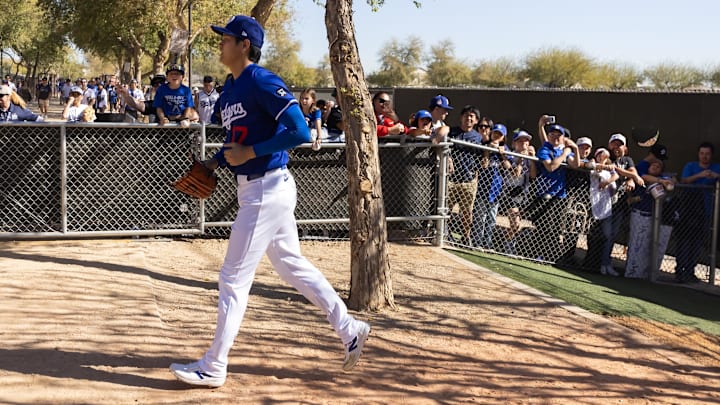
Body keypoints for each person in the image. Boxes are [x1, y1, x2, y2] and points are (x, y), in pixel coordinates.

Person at [168, 15, 370, 388]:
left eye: (226, 39)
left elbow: (298, 130)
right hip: (257, 188)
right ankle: (349, 327)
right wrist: (216, 161)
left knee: (232, 277)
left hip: (267, 189)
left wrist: (253, 151)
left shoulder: (262, 80)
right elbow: (238, 143)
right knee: (291, 264)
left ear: (244, 44)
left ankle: (214, 365)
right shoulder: (229, 90)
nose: (221, 44)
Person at [528, 122, 580, 262]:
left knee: (556, 228)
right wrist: (565, 152)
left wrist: (574, 148)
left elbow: (575, 165)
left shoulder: (564, 150)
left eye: (559, 135)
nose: (556, 137)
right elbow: (551, 167)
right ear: (549, 136)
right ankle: (537, 255)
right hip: (545, 194)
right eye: (552, 134)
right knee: (544, 227)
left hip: (559, 195)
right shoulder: (545, 149)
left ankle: (550, 256)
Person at [674, 142, 720, 283]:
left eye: (707, 154)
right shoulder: (691, 166)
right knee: (684, 241)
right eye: (702, 153)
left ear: (711, 155)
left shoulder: (716, 168)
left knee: (697, 242)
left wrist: (715, 175)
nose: (704, 156)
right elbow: (684, 180)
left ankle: (690, 270)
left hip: (706, 210)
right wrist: (701, 175)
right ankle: (680, 270)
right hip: (688, 209)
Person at [625, 159, 676, 279]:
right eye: (653, 165)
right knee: (636, 245)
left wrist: (668, 182)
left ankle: (642, 275)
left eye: (658, 166)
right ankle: (631, 273)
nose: (655, 167)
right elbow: (630, 199)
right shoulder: (642, 177)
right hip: (638, 214)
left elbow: (672, 182)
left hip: (652, 218)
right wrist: (641, 197)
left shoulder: (662, 180)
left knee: (646, 247)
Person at [445, 105, 483, 244]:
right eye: (466, 115)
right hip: (451, 179)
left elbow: (482, 159)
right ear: (461, 117)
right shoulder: (452, 132)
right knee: (446, 208)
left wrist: (476, 176)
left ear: (476, 120)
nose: (469, 118)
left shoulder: (478, 137)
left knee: (467, 212)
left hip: (468, 180)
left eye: (472, 116)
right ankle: (445, 232)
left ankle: (466, 237)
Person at [471, 123, 511, 249]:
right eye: (495, 133)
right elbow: (484, 165)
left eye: (499, 135)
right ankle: (477, 241)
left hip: (496, 190)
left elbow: (508, 167)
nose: (496, 136)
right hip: (483, 188)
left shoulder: (505, 149)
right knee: (480, 217)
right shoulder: (485, 146)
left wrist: (503, 154)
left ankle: (487, 243)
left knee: (491, 218)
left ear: (503, 137)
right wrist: (488, 151)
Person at [503, 130, 536, 255]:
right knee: (515, 223)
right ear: (514, 143)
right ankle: (508, 245)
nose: (524, 143)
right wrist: (522, 158)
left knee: (517, 224)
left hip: (523, 193)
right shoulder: (510, 155)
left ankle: (510, 243)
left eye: (526, 140)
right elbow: (515, 173)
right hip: (510, 192)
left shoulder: (529, 157)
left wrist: (532, 159)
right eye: (520, 141)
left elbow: (533, 175)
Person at [588, 148, 620, 276]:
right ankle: (591, 263)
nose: (604, 159)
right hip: (593, 202)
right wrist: (600, 166)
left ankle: (604, 264)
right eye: (601, 156)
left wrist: (607, 180)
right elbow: (592, 167)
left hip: (606, 205)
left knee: (607, 235)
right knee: (592, 235)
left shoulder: (609, 169)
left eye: (606, 157)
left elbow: (616, 175)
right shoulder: (593, 165)